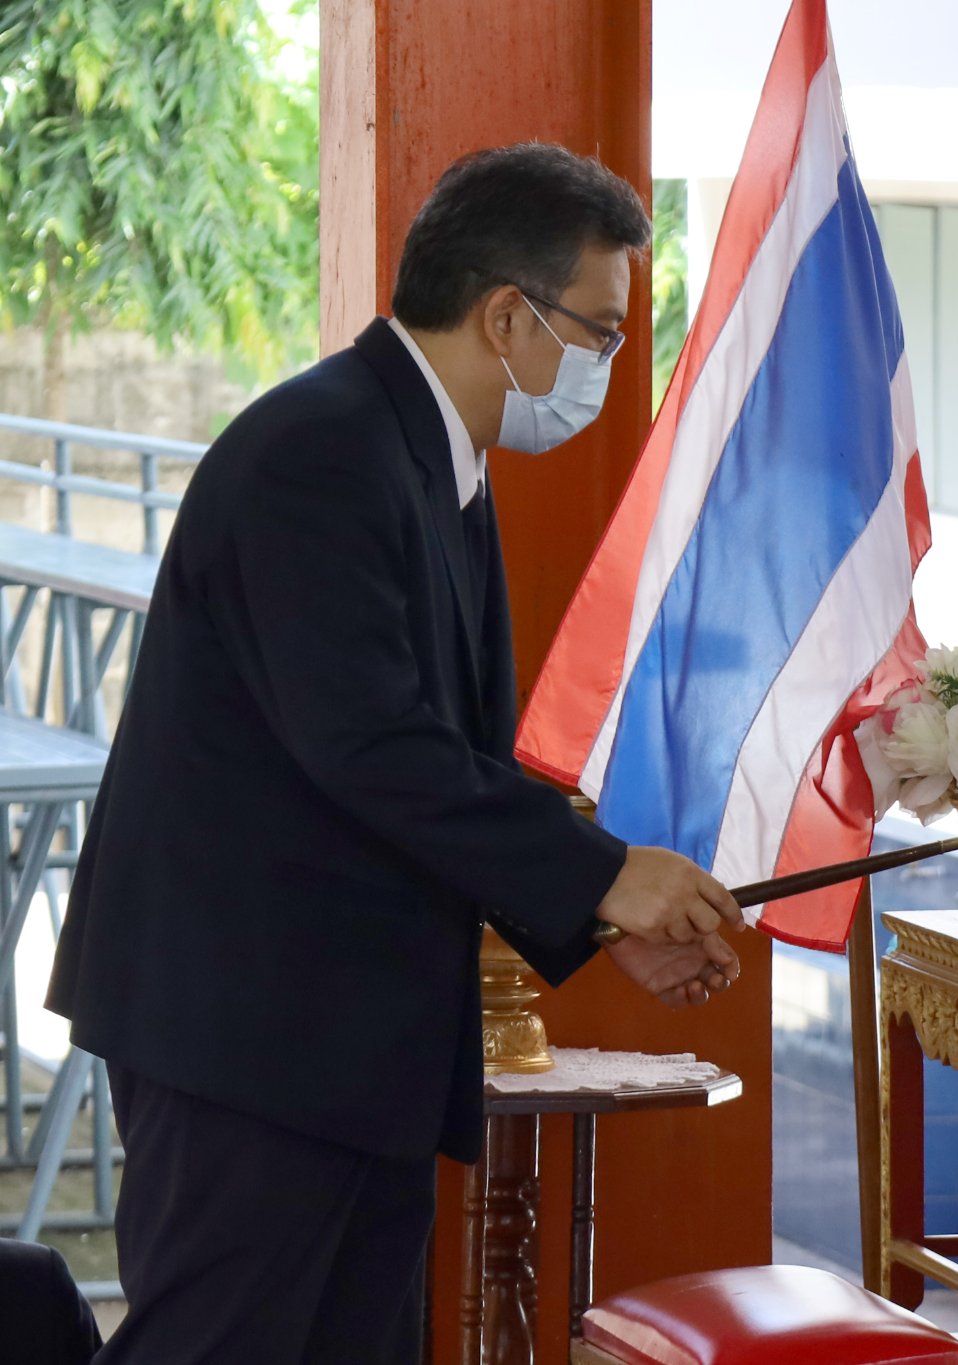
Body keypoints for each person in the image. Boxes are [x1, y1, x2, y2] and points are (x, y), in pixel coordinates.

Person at [47, 143, 742, 1364]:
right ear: (507, 315)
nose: (606, 369)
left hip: (348, 1033)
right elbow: (365, 740)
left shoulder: (430, 456)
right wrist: (600, 874)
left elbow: (435, 755)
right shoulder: (319, 450)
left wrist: (601, 910)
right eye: (603, 333)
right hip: (250, 1029)